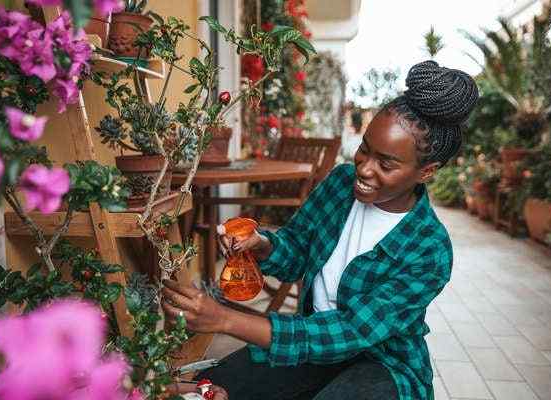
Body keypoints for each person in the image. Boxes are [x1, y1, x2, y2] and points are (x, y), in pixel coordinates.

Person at [161, 60, 479, 400]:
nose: (365, 169)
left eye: (386, 164)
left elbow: (350, 331)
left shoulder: (429, 248)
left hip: (381, 365)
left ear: (426, 171)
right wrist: (262, 245)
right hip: (315, 348)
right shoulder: (342, 183)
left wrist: (224, 319)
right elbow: (297, 248)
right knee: (210, 386)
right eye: (364, 150)